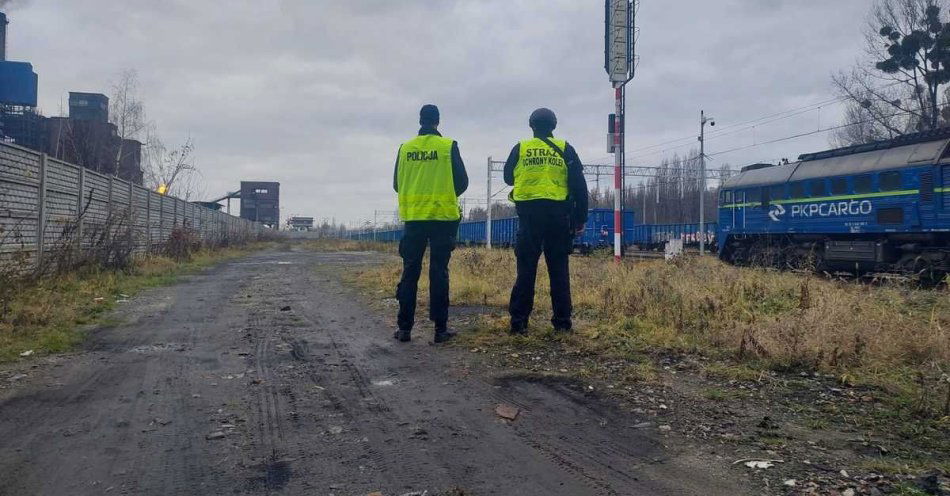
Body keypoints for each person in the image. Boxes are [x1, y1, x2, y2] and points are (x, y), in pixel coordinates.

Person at [504, 108, 588, 335]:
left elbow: (507, 177)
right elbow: (579, 185)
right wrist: (581, 218)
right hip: (559, 217)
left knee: (526, 269)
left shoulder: (520, 148)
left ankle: (519, 322)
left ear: (531, 126)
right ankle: (562, 323)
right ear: (554, 126)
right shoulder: (565, 148)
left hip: (529, 216)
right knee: (559, 270)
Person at [392, 104, 468, 343]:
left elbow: (397, 183)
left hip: (414, 219)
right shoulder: (448, 147)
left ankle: (404, 328)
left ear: (420, 121)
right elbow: (462, 182)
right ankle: (440, 329)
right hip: (442, 219)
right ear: (437, 121)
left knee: (410, 272)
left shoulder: (405, 149)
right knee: (438, 272)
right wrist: (443, 192)